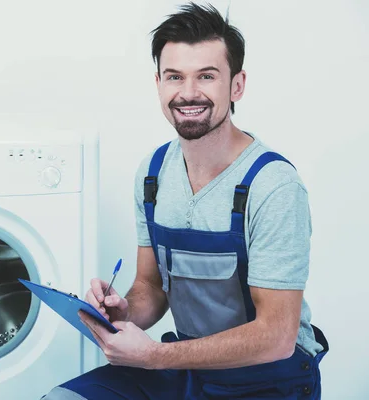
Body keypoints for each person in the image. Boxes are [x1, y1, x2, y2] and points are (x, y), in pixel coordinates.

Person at [41, 2, 329, 399]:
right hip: (187, 366)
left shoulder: (273, 185)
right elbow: (151, 287)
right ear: (158, 82)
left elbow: (276, 337)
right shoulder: (153, 173)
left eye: (206, 76)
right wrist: (124, 310)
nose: (188, 93)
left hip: (270, 379)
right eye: (174, 76)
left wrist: (156, 354)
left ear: (237, 85)